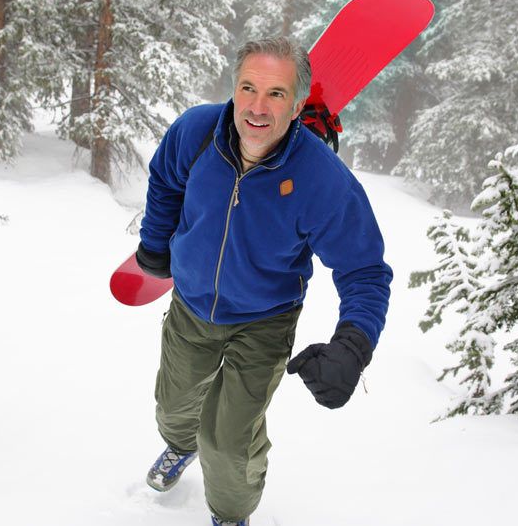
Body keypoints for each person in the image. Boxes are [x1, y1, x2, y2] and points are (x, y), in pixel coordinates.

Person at [136, 36, 392, 526]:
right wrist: (154, 242)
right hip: (191, 305)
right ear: (233, 88)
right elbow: (165, 180)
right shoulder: (196, 132)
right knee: (173, 407)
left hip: (263, 322)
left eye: (276, 94)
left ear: (298, 106)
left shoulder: (321, 178)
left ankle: (231, 514)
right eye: (248, 88)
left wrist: (354, 344)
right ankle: (179, 444)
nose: (256, 107)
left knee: (230, 442)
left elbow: (364, 269)